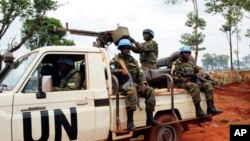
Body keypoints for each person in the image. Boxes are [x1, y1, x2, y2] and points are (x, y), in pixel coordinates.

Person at [110, 39, 160, 131]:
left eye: (128, 48)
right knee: (132, 91)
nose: (126, 50)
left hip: (133, 83)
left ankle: (150, 118)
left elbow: (140, 73)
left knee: (150, 90)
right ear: (120, 49)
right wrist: (120, 71)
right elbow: (109, 71)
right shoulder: (116, 60)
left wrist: (143, 83)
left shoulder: (133, 61)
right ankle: (130, 122)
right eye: (124, 48)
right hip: (121, 85)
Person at [171, 46, 222, 117]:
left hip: (192, 81)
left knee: (208, 85)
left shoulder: (190, 63)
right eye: (185, 53)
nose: (187, 54)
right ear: (181, 54)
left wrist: (200, 73)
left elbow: (199, 68)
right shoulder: (176, 63)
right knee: (194, 86)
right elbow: (173, 75)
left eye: (188, 53)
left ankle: (211, 108)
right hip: (181, 83)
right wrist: (182, 79)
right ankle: (198, 110)